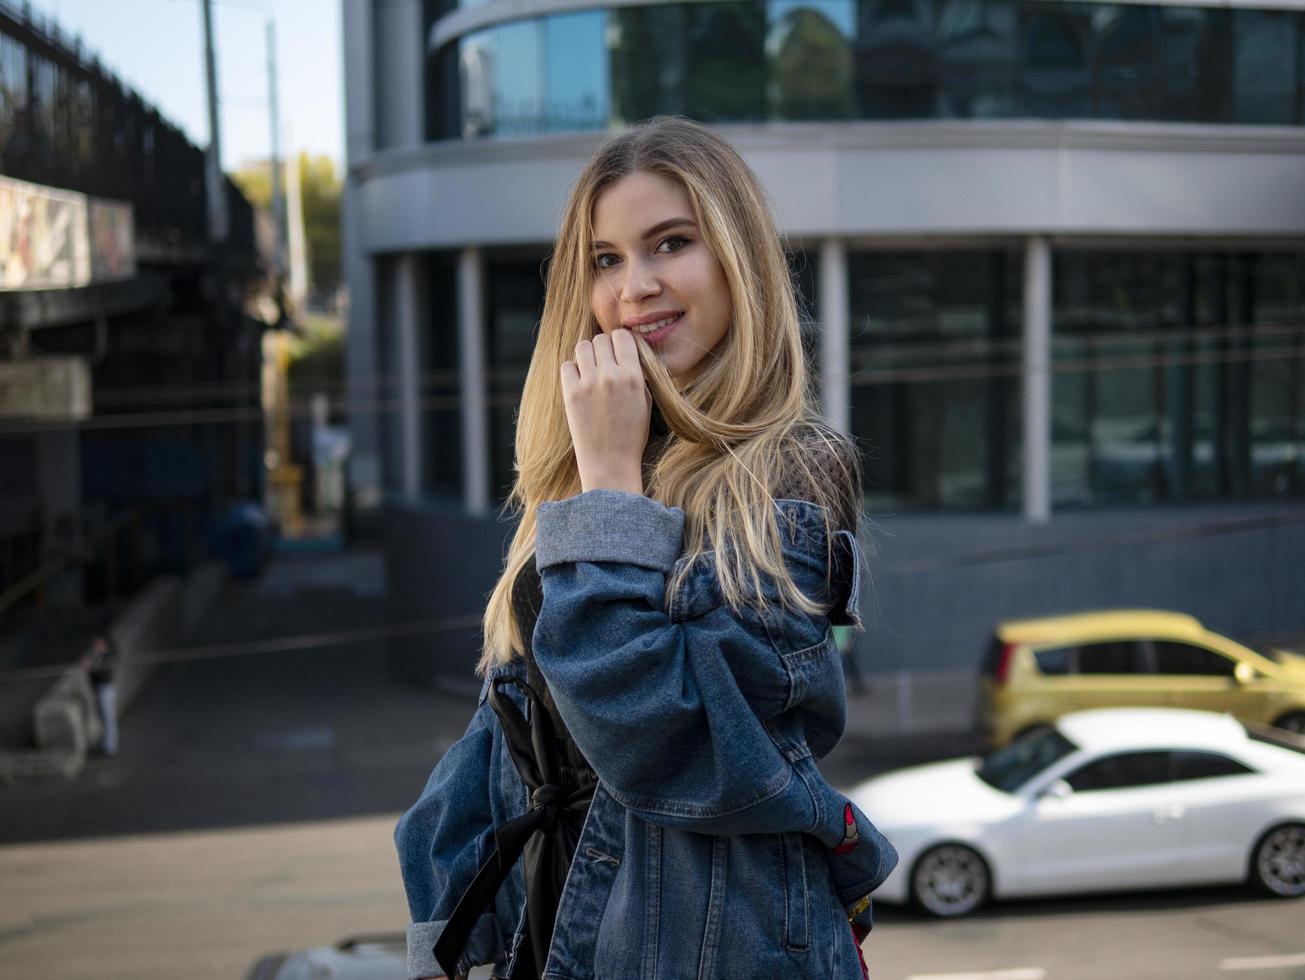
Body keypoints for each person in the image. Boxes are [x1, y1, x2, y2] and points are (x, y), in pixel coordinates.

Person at [395, 116, 897, 980]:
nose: (636, 286)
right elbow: (503, 734)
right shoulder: (601, 459)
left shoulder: (791, 468)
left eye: (670, 244)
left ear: (736, 259)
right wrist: (442, 931)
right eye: (606, 259)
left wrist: (610, 487)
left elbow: (673, 748)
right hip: (558, 938)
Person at [81, 632, 120, 757]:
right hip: (99, 688)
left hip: (106, 689)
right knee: (104, 716)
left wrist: (91, 666)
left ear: (103, 644)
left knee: (108, 717)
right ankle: (107, 744)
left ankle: (111, 746)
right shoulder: (97, 656)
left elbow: (102, 672)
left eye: (97, 643)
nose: (95, 645)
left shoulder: (106, 656)